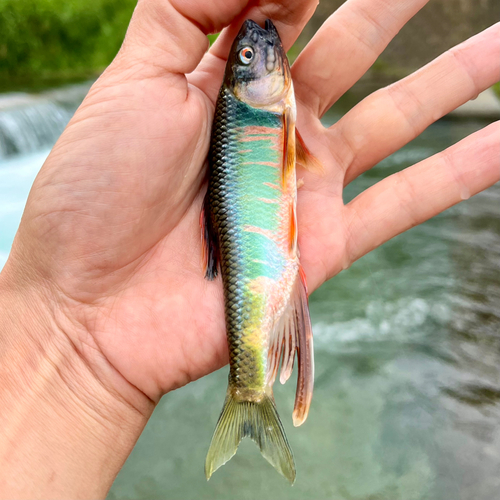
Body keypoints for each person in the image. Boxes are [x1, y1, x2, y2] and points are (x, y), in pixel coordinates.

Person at [0, 0, 498, 497]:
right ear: (241, 86)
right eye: (247, 60)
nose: (261, 52)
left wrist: (66, 340)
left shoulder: (263, 107)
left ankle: (249, 393)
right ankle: (250, 392)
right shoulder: (260, 112)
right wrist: (66, 331)